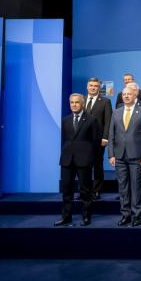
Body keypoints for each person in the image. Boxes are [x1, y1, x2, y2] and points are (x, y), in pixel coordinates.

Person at [108, 82, 141, 227]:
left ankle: (136, 215)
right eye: (124, 94)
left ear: (135, 96)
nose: (126, 96)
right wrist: (111, 155)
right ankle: (125, 215)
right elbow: (111, 134)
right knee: (123, 187)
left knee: (136, 187)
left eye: (129, 94)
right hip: (119, 156)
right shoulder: (116, 112)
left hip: (137, 156)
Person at [55, 94, 100, 227]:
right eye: (72, 102)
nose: (74, 105)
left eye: (77, 102)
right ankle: (66, 217)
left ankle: (86, 217)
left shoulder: (92, 120)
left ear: (82, 104)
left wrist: (91, 159)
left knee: (85, 191)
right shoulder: (65, 120)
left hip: (84, 160)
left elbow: (95, 142)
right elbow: (65, 140)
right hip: (67, 160)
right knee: (66, 190)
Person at [85, 77, 112, 200]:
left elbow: (108, 121)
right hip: (82, 139)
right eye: (91, 85)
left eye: (95, 86)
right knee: (83, 166)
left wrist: (105, 137)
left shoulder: (105, 101)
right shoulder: (81, 99)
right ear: (87, 87)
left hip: (98, 139)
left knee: (97, 165)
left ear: (99, 87)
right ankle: (84, 190)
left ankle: (96, 190)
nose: (93, 88)